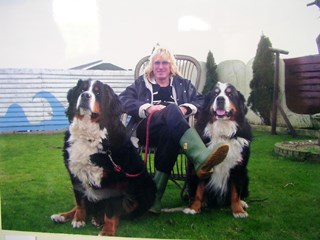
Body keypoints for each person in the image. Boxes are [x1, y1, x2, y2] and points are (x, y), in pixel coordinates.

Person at [119, 47, 229, 214]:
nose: (161, 66)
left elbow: (201, 100)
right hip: (146, 129)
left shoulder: (183, 84)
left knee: (170, 132)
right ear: (152, 65)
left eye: (165, 62)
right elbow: (122, 99)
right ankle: (200, 155)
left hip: (173, 131)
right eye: (157, 62)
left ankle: (154, 200)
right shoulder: (142, 83)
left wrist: (186, 108)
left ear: (171, 66)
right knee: (171, 109)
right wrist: (148, 108)